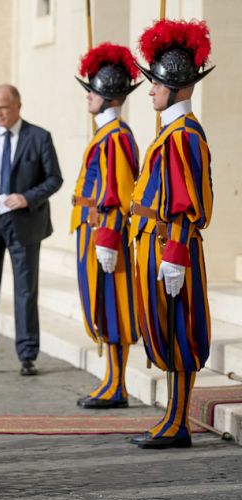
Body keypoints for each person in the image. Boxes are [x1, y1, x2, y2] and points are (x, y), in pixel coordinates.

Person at [130, 19, 214, 449]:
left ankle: (178, 422)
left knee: (180, 331)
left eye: (156, 84)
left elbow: (185, 202)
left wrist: (176, 253)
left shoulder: (183, 136)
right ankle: (170, 416)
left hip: (170, 247)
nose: (149, 91)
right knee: (164, 330)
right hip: (157, 244)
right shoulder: (172, 132)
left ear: (177, 86)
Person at [0, 84, 63, 376]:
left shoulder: (39, 137)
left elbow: (54, 178)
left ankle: (27, 356)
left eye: (3, 107)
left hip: (24, 223)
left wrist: (27, 197)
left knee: (25, 291)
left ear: (18, 105)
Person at [71, 43, 141, 408]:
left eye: (94, 92)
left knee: (114, 307)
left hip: (104, 233)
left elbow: (118, 193)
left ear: (109, 97)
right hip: (92, 232)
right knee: (101, 307)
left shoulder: (116, 137)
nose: (88, 98)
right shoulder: (105, 134)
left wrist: (109, 237)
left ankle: (119, 385)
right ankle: (111, 379)